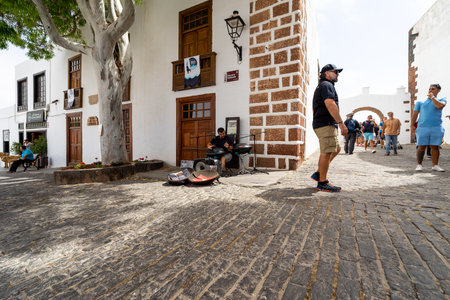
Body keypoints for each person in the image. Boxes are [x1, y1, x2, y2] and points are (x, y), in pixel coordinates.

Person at [311, 64, 347, 192]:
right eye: (335, 72)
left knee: (336, 148)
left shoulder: (325, 86)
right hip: (325, 124)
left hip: (325, 123)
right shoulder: (327, 85)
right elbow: (330, 104)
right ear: (327, 73)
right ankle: (322, 182)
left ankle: (319, 173)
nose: (337, 74)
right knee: (326, 152)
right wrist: (341, 123)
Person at [412, 84, 447, 171]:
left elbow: (439, 106)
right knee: (421, 146)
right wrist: (412, 125)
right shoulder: (420, 102)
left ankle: (435, 165)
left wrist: (432, 98)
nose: (430, 90)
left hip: (436, 127)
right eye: (429, 89)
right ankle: (419, 165)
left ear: (438, 90)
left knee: (435, 147)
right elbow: (415, 114)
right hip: (422, 127)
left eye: (433, 89)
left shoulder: (442, 99)